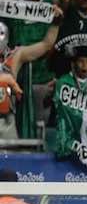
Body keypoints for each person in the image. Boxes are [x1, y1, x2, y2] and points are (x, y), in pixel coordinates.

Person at [0, 9, 62, 140]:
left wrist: (55, 24)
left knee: (11, 158)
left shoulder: (14, 56)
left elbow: (46, 45)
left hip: (6, 122)